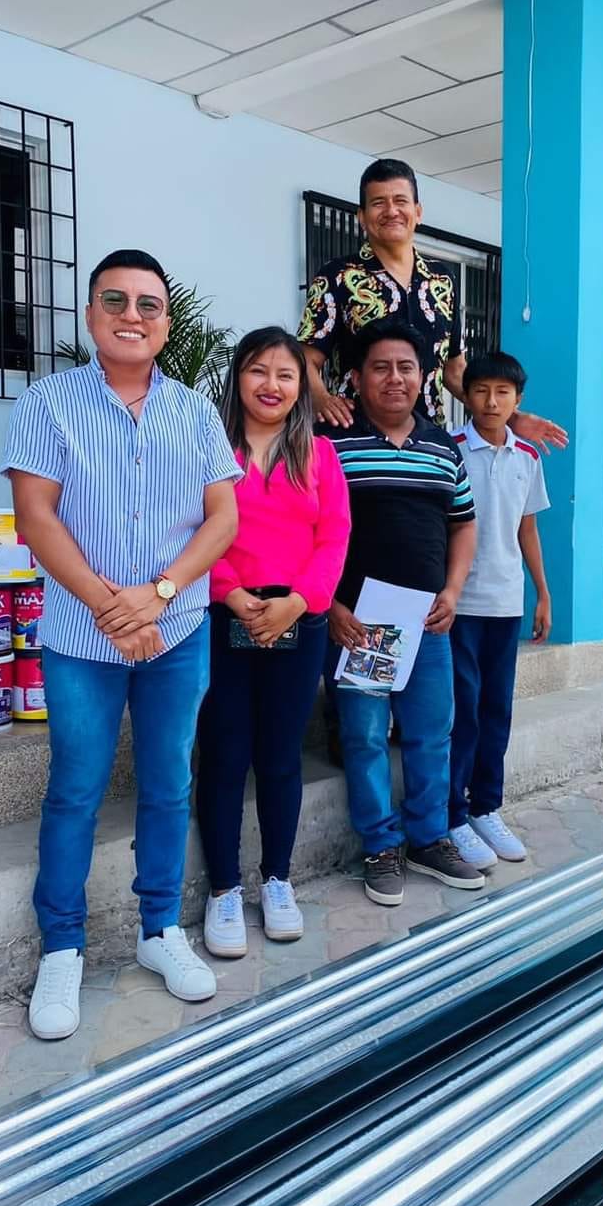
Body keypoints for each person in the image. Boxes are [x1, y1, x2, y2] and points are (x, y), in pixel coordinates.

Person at [2, 248, 241, 1041]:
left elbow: (223, 518)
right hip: (82, 636)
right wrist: (114, 608)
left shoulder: (197, 413)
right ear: (90, 315)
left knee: (169, 783)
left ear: (166, 324)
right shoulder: (47, 403)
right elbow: (36, 516)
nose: (131, 316)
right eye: (116, 301)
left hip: (177, 632)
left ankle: (159, 930)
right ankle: (61, 947)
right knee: (75, 787)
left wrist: (158, 597)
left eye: (148, 304)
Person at [195, 328, 350, 958]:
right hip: (224, 618)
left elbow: (334, 537)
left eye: (286, 375)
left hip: (298, 621)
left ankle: (277, 880)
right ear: (238, 377)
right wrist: (232, 593)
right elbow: (192, 530)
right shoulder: (209, 450)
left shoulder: (319, 455)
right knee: (225, 754)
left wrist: (298, 603)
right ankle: (224, 889)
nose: (272, 385)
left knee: (282, 756)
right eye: (259, 371)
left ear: (300, 387)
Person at [324, 316, 485, 907]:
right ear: (357, 377)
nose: (395, 378)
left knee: (430, 733)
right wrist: (331, 604)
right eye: (381, 368)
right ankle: (380, 846)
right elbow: (311, 530)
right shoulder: (330, 442)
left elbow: (463, 524)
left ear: (424, 377)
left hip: (426, 623)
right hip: (358, 624)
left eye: (406, 368)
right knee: (366, 737)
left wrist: (453, 590)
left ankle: (429, 838)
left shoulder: (443, 449)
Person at [298, 157, 568, 451]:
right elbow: (305, 359)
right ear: (361, 216)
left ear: (418, 212)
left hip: (427, 443)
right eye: (378, 203)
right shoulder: (337, 276)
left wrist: (509, 417)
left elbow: (455, 370)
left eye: (400, 201)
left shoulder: (442, 280)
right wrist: (322, 400)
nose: (391, 211)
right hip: (355, 439)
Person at [447, 352, 552, 871]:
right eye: (481, 390)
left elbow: (527, 528)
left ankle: (486, 807)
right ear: (466, 395)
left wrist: (543, 593)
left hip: (506, 603)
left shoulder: (527, 457)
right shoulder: (449, 450)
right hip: (458, 606)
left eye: (503, 392)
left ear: (518, 400)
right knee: (461, 712)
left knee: (496, 710)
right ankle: (453, 816)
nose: (491, 402)